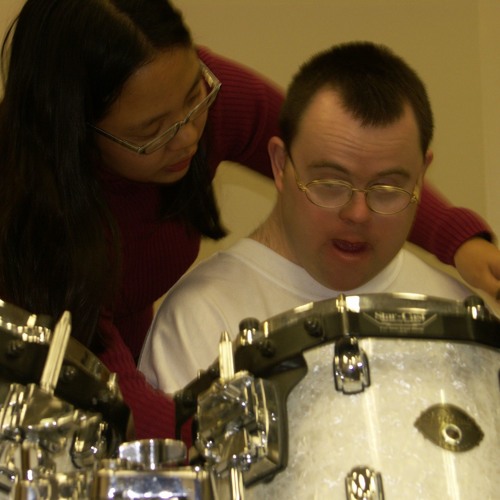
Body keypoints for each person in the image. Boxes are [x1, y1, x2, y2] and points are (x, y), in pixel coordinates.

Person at [0, 0, 498, 443]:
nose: (189, 135)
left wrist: (459, 240)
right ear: (76, 132)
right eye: (153, 131)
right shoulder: (35, 216)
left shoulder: (187, 94)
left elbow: (339, 154)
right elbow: (120, 402)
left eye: (193, 98)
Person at [140, 41, 492, 394]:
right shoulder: (202, 318)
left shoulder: (459, 318)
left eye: (387, 189)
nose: (357, 214)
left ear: (420, 177)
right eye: (330, 185)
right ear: (280, 165)